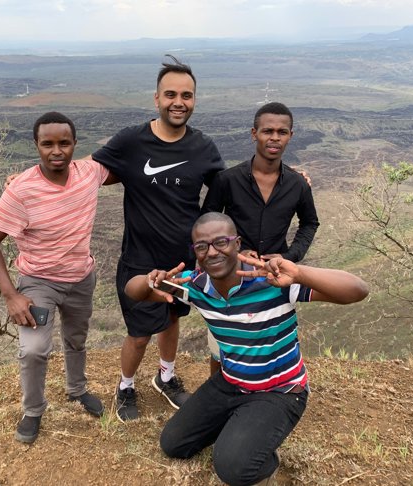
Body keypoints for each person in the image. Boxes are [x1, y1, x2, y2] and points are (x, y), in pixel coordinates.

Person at [124, 212, 369, 486]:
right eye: (202, 246)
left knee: (233, 468)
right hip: (231, 383)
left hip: (280, 391)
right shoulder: (195, 286)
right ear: (195, 252)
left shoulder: (273, 282)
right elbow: (133, 291)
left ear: (237, 243)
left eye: (221, 242)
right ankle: (240, 425)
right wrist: (150, 281)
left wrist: (299, 272)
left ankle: (259, 451)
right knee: (173, 444)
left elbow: (357, 290)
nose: (212, 252)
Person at [90, 55, 225, 421]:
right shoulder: (132, 141)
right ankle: (125, 385)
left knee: (172, 319)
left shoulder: (204, 147)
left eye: (187, 95)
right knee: (139, 333)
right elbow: (84, 171)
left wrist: (289, 177)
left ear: (194, 99)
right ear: (156, 99)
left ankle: (165, 376)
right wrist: (28, 180)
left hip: (183, 261)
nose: (178, 102)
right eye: (170, 94)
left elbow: (232, 187)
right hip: (139, 260)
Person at [0, 112, 118, 444]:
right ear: (36, 145)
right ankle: (33, 410)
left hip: (81, 278)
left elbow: (125, 166)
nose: (56, 151)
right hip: (38, 283)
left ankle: (77, 389)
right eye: (47, 144)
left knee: (76, 338)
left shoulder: (89, 173)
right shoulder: (22, 190)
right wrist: (11, 295)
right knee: (33, 349)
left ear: (74, 144)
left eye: (64, 143)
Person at [201, 101, 320, 375]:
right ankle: (220, 397)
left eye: (282, 131)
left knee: (271, 342)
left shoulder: (297, 184)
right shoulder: (227, 180)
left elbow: (310, 222)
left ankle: (262, 394)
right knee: (222, 347)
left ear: (291, 135)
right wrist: (233, 252)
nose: (274, 138)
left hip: (275, 278)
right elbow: (207, 223)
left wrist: (290, 256)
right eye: (268, 131)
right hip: (231, 277)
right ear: (254, 133)